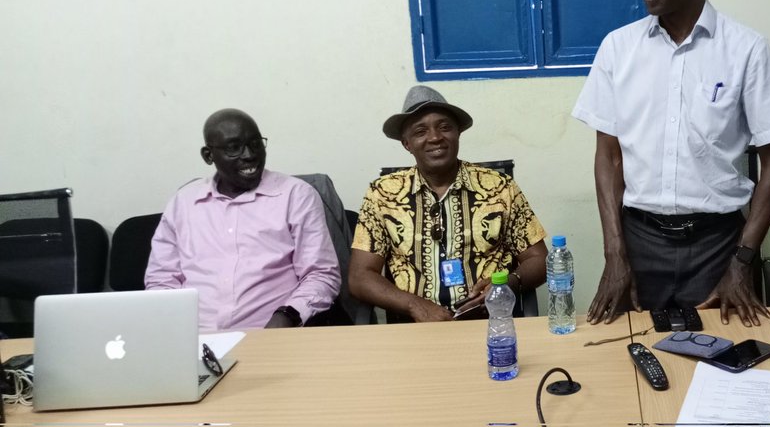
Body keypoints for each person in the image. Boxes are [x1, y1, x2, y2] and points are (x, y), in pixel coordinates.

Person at [573, 0, 770, 327]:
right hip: (639, 241)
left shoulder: (747, 50)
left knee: (719, 363)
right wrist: (614, 253)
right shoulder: (617, 49)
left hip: (718, 245)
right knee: (633, 360)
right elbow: (608, 158)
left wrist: (743, 260)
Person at [348, 85, 548, 323]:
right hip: (412, 330)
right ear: (407, 144)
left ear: (458, 134)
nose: (435, 137)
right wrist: (415, 306)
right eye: (421, 131)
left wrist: (506, 284)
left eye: (445, 127)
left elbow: (540, 260)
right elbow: (360, 276)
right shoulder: (382, 194)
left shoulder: (500, 188)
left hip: (491, 324)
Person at [145, 109, 341, 331]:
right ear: (208, 155)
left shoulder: (295, 195)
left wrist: (287, 316)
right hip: (194, 339)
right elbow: (162, 280)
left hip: (273, 337)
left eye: (255, 143)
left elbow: (321, 274)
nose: (249, 155)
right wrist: (175, 330)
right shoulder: (184, 202)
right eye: (233, 147)